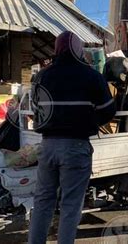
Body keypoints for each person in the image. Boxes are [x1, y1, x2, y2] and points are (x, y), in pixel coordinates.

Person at [28, 31, 115, 244]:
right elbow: (108, 111)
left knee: (42, 203)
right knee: (70, 206)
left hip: (47, 146)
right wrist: (90, 120)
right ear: (78, 50)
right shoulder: (91, 76)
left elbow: (36, 110)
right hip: (75, 147)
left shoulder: (42, 76)